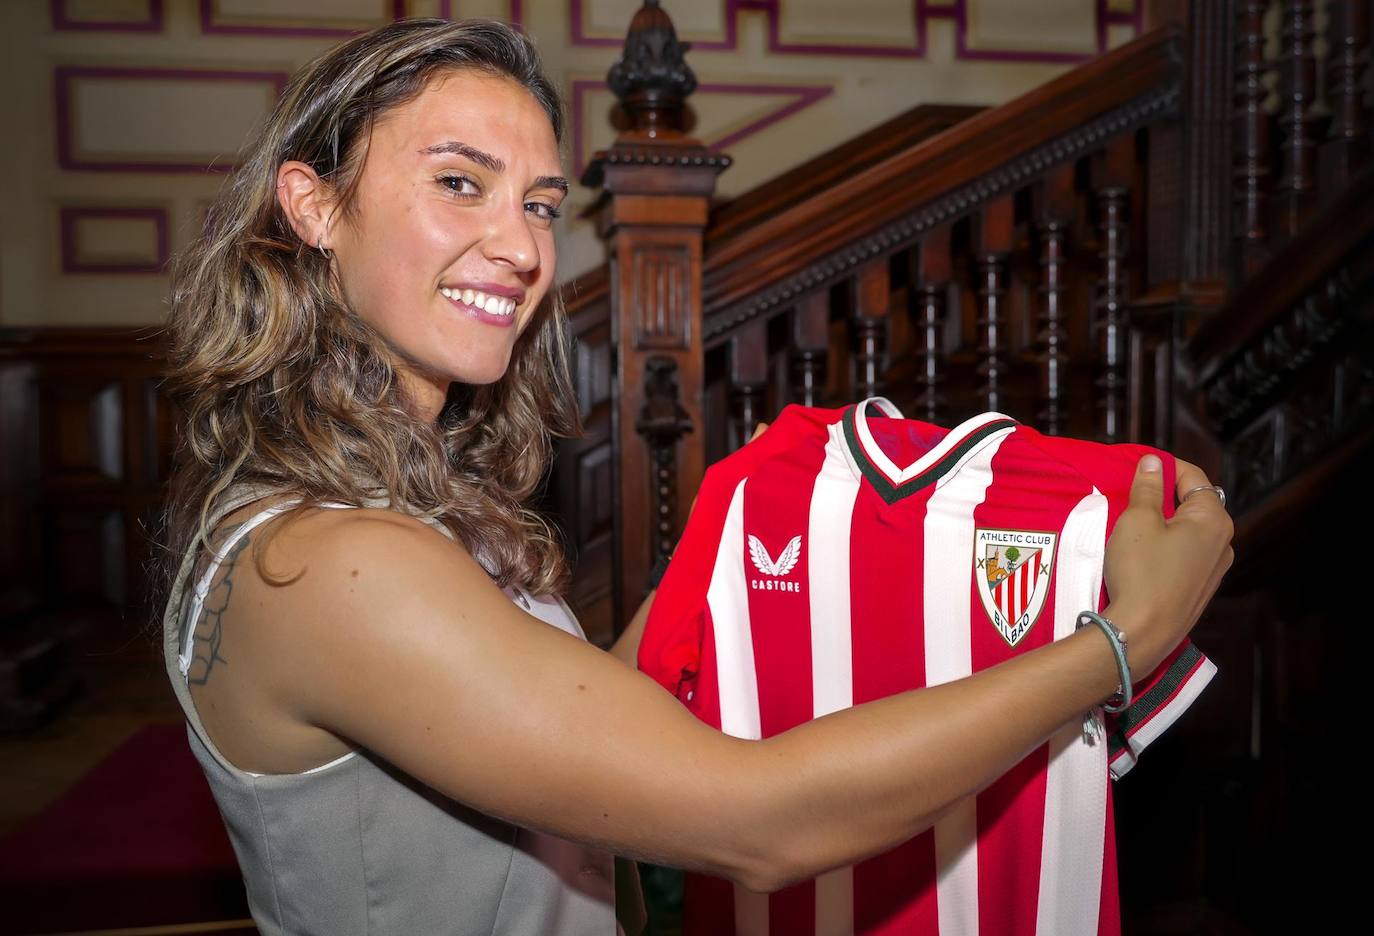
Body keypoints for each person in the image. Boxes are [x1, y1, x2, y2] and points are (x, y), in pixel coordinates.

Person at [158, 17, 1234, 936]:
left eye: (537, 203)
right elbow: (760, 825)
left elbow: (566, 737)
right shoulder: (334, 566)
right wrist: (1119, 646)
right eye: (457, 184)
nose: (523, 248)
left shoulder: (365, 509)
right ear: (312, 206)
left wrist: (733, 526)